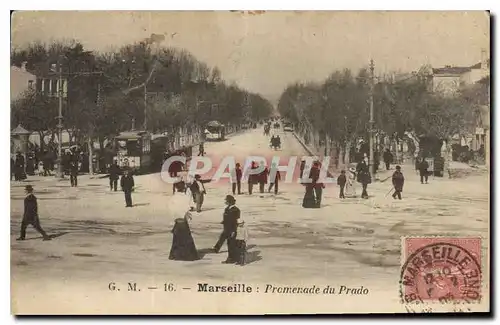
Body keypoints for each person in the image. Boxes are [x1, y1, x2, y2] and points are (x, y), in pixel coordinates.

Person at [213, 195, 241, 264]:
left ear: (230, 202)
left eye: (226, 201)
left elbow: (235, 221)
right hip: (226, 228)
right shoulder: (227, 208)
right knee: (223, 238)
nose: (225, 202)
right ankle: (217, 249)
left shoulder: (236, 210)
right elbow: (227, 218)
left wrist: (234, 231)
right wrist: (224, 222)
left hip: (231, 230)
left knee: (231, 245)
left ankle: (231, 259)